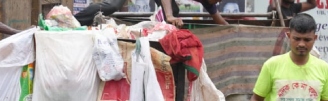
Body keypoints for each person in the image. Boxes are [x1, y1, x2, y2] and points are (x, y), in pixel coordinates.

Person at [74, 0, 228, 27]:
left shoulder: (209, 2)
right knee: (113, 5)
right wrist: (168, 16)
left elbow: (220, 21)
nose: (218, 2)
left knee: (174, 12)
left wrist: (237, 28)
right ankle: (74, 20)